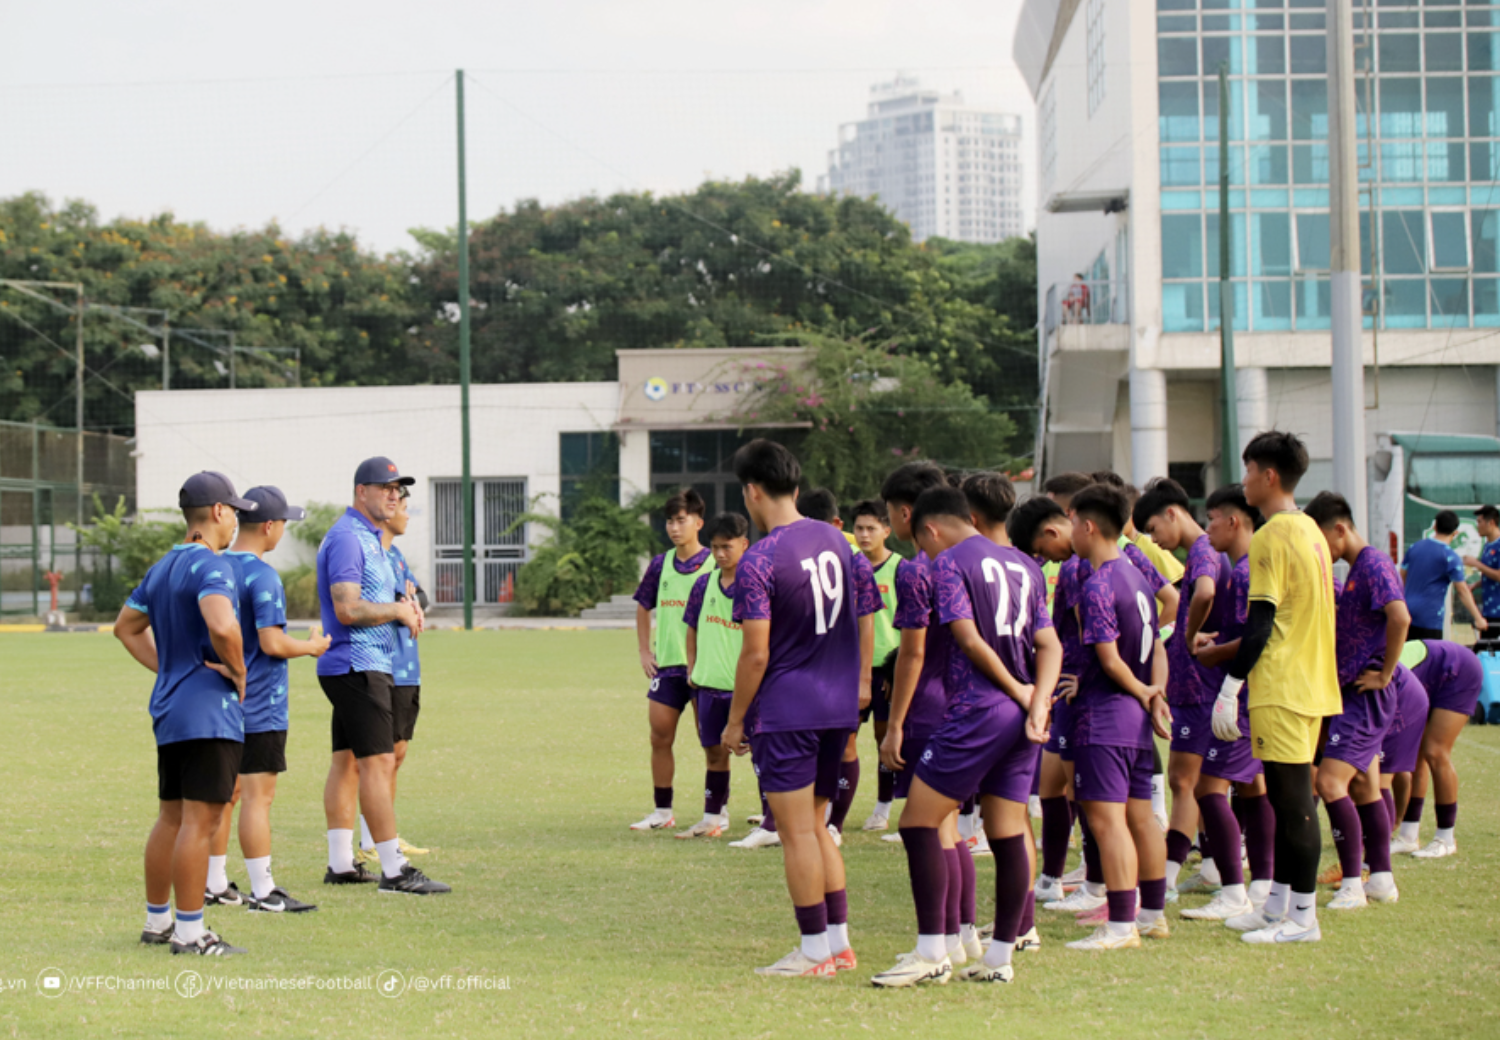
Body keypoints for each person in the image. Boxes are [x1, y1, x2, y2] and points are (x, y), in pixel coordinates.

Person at [871, 487, 1060, 987]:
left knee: (917, 824)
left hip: (980, 707)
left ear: (931, 529)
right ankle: (1000, 956)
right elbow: (1050, 644)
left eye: (923, 544)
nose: (926, 556)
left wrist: (1017, 690)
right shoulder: (1025, 565)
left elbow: (968, 636)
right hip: (1022, 718)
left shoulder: (951, 561)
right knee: (1006, 830)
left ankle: (931, 952)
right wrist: (1037, 699)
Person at [721, 439, 878, 978]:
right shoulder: (840, 543)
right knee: (817, 827)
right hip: (838, 710)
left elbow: (756, 651)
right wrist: (859, 678)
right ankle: (838, 943)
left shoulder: (760, 558)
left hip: (787, 712)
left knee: (795, 834)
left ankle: (814, 951)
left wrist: (736, 719)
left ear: (753, 491)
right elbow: (867, 611)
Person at [114, 471, 253, 955]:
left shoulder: (162, 567)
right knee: (202, 822)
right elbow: (222, 625)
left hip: (171, 708)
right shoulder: (214, 566)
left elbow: (126, 628)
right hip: (208, 711)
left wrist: (172, 667)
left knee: (170, 818)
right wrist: (237, 671)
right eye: (234, 509)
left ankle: (158, 922)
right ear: (217, 512)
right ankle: (192, 933)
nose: (236, 518)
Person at [1212, 432, 1339, 944]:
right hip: (1311, 684)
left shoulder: (1270, 536)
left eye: (1246, 471)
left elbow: (1261, 624)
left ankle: (1303, 920)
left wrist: (1229, 686)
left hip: (1284, 685)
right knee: (1290, 801)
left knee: (1293, 806)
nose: (1242, 482)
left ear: (1268, 476)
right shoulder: (1310, 528)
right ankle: (1277, 908)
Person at [317, 457, 448, 895]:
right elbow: (347, 609)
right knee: (378, 762)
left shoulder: (371, 539)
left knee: (346, 760)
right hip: (358, 663)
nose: (394, 494)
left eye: (398, 488)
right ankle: (394, 869)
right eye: (385, 487)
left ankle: (341, 863)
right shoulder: (349, 539)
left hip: (364, 662)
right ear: (361, 492)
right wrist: (399, 609)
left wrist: (405, 606)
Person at [1064, 483, 1172, 951]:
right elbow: (1160, 645)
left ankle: (1122, 925)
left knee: (1108, 822)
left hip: (1106, 716)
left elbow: (1109, 660)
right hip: (1135, 721)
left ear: (1088, 527)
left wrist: (1145, 689)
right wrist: (1154, 694)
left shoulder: (1098, 584)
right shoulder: (1138, 577)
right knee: (1142, 818)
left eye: (1071, 522)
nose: (1070, 531)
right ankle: (1151, 915)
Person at [219, 485, 329, 914]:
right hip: (260, 703)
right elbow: (271, 642)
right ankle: (263, 891)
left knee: (224, 795)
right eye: (284, 522)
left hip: (221, 702)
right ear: (269, 526)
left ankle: (214, 884)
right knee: (257, 796)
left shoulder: (218, 566)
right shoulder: (263, 575)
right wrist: (310, 647)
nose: (283, 530)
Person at [1305, 491, 1408, 909]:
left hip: (1367, 695)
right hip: (1351, 693)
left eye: (1321, 540)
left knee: (1329, 782)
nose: (1319, 551)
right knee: (1364, 785)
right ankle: (1380, 879)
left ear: (1340, 529)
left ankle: (1352, 883)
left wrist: (1384, 673)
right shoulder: (1355, 569)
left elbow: (1400, 616)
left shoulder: (1374, 564)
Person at [1132, 478, 1233, 898]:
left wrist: (1190, 634)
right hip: (1199, 688)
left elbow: (1206, 592)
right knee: (1201, 783)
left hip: (1203, 688)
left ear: (1173, 513)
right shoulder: (1201, 552)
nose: (1157, 540)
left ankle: (1169, 874)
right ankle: (1212, 868)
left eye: (1155, 529)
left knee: (1185, 781)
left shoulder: (1204, 550)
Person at [1182, 484, 1276, 922]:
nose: (1207, 530)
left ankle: (1233, 891)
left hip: (1243, 692)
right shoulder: (1245, 566)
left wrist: (1213, 653)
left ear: (1234, 521)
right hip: (1256, 692)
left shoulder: (1246, 569)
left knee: (1207, 788)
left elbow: (1258, 637)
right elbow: (1243, 629)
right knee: (1253, 786)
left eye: (1212, 520)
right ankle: (1261, 883)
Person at [1007, 496, 1091, 910]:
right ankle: (1053, 879)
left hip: (1087, 694)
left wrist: (1093, 676)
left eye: (1043, 551)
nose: (1045, 560)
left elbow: (1096, 632)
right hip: (1070, 689)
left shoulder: (1080, 566)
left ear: (1055, 530)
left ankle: (1102, 887)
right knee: (1055, 785)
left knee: (1090, 795)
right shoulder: (1094, 561)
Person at [879, 462, 955, 857]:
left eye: (888, 512)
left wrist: (894, 725)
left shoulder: (916, 571)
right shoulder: (976, 561)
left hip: (927, 706)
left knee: (926, 829)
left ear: (904, 513)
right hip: (968, 703)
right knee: (951, 827)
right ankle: (961, 921)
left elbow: (913, 652)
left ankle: (947, 921)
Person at [351, 486, 429, 864]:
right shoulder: (370, 553)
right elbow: (380, 602)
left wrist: (412, 600)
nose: (406, 513)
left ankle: (383, 835)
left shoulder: (396, 556)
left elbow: (419, 597)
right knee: (377, 758)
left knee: (396, 754)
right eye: (402, 506)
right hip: (382, 665)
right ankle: (374, 840)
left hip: (407, 668)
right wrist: (402, 601)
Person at [630, 489, 715, 831]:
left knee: (712, 744)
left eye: (681, 520)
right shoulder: (660, 564)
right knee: (659, 737)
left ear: (698, 522)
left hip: (706, 671)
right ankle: (662, 812)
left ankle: (716, 812)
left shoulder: (714, 563)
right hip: (667, 668)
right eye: (669, 521)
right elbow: (642, 605)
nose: (674, 527)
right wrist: (644, 651)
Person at [800, 488, 865, 843]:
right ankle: (809, 816)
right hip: (806, 671)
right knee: (807, 746)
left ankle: (833, 824)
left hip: (844, 671)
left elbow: (868, 619)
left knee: (846, 747)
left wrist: (865, 676)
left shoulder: (853, 560)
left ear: (837, 526)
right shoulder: (793, 555)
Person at [680, 512, 750, 839]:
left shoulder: (756, 585)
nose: (720, 554)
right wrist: (692, 666)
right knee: (713, 753)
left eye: (727, 547)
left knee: (761, 756)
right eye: (715, 547)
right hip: (709, 687)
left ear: (744, 545)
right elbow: (691, 627)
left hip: (747, 689)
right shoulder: (703, 584)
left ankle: (772, 821)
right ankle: (713, 817)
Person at [1395, 638, 1484, 858]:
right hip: (1426, 678)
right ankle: (1408, 836)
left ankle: (1445, 838)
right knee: (1413, 755)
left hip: (1459, 669)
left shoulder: (1381, 677)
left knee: (1435, 750)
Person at [851, 499, 901, 832]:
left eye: (871, 528)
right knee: (843, 736)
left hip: (888, 669)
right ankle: (832, 805)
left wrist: (896, 669)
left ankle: (884, 808)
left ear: (887, 529)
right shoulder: (848, 567)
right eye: (859, 528)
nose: (865, 534)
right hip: (851, 667)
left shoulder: (901, 569)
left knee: (885, 738)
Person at [1402, 509, 1487, 642]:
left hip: (1405, 613)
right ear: (1455, 532)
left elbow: (1400, 578)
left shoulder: (1414, 547)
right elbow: (1462, 590)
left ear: (1434, 526)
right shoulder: (1450, 557)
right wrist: (1478, 618)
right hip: (1429, 618)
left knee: (1406, 659)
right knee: (1429, 660)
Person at [1461, 505, 1500, 630]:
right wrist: (1476, 585)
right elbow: (1491, 574)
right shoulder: (1488, 545)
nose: (1477, 525)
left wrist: (1476, 564)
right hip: (1489, 609)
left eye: (1480, 522)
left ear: (1491, 523)